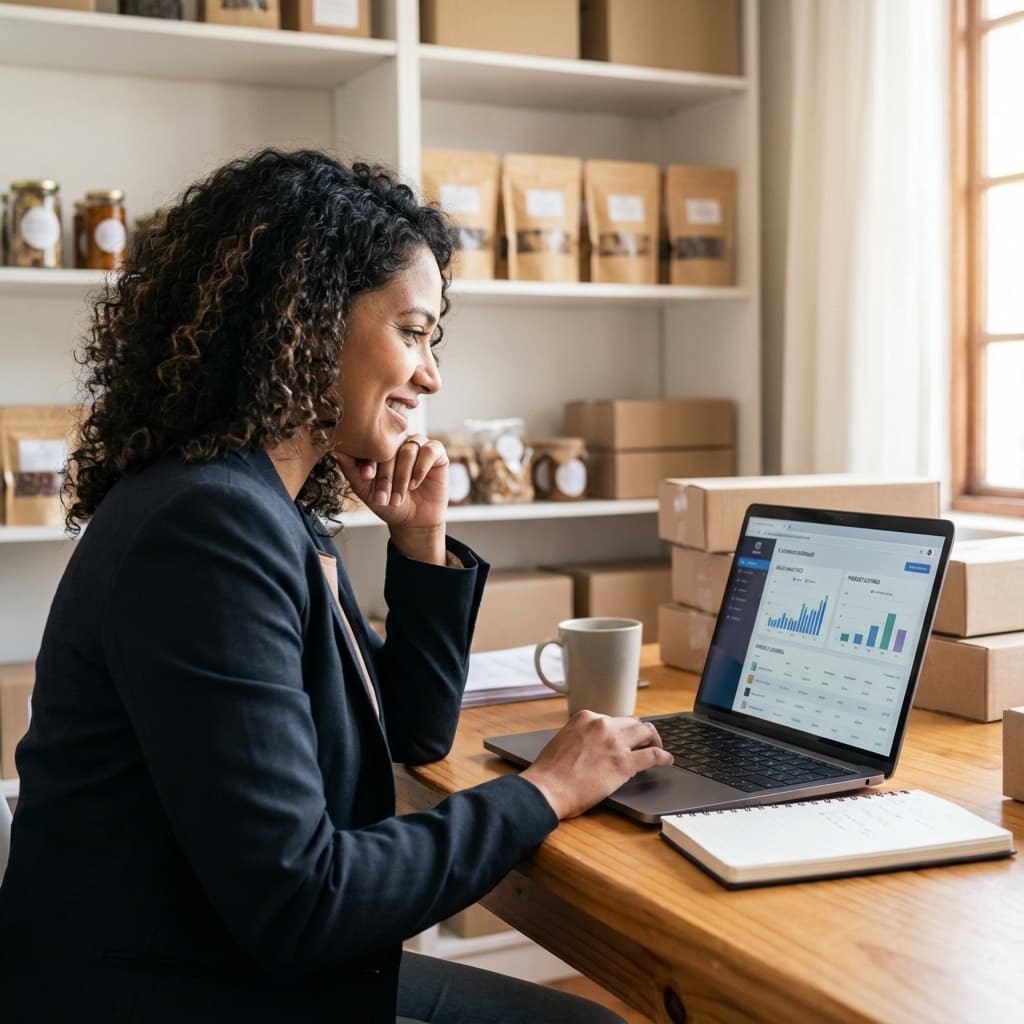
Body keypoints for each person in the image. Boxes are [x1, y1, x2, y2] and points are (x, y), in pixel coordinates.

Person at [0, 149, 672, 1023]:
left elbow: (413, 731)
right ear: (311, 319)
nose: (430, 374)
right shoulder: (208, 529)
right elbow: (303, 903)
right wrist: (546, 788)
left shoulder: (257, 503)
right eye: (414, 330)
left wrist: (420, 542)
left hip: (230, 967)